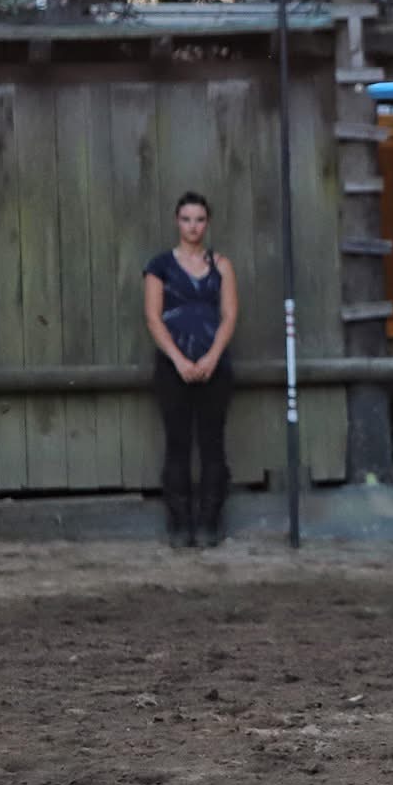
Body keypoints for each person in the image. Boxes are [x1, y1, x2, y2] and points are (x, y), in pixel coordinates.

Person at [143, 192, 238, 548]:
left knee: (213, 444)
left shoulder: (222, 265)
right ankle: (180, 525)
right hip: (173, 368)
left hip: (215, 366)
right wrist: (179, 360)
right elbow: (153, 317)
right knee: (177, 443)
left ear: (207, 223)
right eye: (186, 219)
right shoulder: (160, 266)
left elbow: (229, 315)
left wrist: (212, 357)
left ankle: (210, 522)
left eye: (199, 219)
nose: (193, 226)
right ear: (177, 221)